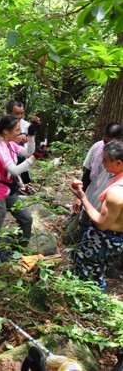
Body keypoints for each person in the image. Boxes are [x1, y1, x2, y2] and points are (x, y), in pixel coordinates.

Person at [69, 140, 123, 290]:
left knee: (88, 276)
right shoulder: (118, 179)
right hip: (116, 240)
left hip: (104, 239)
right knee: (97, 271)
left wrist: (83, 198)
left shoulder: (117, 192)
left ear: (118, 163)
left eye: (105, 160)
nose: (103, 163)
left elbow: (102, 223)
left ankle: (87, 307)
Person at [0, 114, 36, 254]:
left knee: (27, 219)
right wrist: (34, 159)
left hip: (7, 190)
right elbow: (14, 170)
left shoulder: (9, 144)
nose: (19, 133)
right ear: (6, 131)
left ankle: (19, 251)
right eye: (17, 130)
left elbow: (28, 152)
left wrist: (32, 136)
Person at [71, 122, 123, 241]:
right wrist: (80, 197)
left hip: (108, 212)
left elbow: (102, 223)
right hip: (91, 199)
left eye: (110, 143)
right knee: (81, 233)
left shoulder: (116, 191)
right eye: (104, 141)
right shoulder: (98, 147)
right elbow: (87, 172)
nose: (106, 146)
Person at [6, 100, 42, 185]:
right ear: (8, 113)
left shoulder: (26, 126)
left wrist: (31, 135)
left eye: (22, 113)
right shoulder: (0, 128)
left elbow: (28, 152)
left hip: (19, 163)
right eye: (16, 114)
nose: (20, 117)